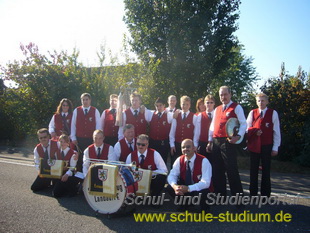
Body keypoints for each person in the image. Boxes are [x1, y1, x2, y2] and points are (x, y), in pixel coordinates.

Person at [206, 86, 246, 197]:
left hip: (228, 142)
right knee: (217, 171)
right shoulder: (217, 109)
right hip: (216, 141)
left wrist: (238, 136)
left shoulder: (236, 107)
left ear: (230, 94)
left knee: (231, 170)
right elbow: (212, 126)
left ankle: (238, 199)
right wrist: (210, 141)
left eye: (225, 94)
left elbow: (243, 123)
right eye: (221, 95)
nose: (223, 97)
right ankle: (220, 196)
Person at [246, 93, 281, 197]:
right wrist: (254, 131)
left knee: (266, 170)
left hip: (267, 145)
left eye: (263, 100)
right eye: (259, 101)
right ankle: (253, 194)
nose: (261, 103)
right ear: (256, 102)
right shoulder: (252, 113)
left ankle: (265, 195)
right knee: (253, 170)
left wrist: (275, 147)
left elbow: (276, 131)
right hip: (254, 145)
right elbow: (246, 128)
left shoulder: (273, 113)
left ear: (267, 101)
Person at [167, 139, 212, 211]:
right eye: (183, 147)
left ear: (194, 148)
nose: (185, 149)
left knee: (204, 191)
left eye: (188, 147)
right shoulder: (179, 159)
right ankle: (185, 204)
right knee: (170, 187)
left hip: (197, 188)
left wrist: (188, 188)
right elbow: (171, 175)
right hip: (185, 187)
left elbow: (206, 183)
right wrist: (175, 186)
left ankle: (205, 209)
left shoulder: (204, 161)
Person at [71, 93, 101, 173]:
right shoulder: (76, 110)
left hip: (90, 139)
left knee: (89, 158)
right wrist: (73, 137)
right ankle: (79, 176)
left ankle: (88, 175)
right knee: (79, 158)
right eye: (83, 100)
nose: (85, 101)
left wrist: (96, 139)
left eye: (86, 99)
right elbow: (73, 125)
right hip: (79, 139)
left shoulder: (95, 111)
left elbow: (98, 126)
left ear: (90, 100)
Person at [169, 96, 198, 166]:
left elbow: (196, 133)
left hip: (188, 146)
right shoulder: (176, 115)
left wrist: (195, 145)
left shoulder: (194, 117)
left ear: (190, 105)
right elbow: (172, 132)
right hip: (177, 145)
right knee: (175, 164)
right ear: (180, 104)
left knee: (187, 164)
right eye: (183, 104)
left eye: (187, 104)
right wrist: (172, 145)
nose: (185, 106)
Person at [147, 98, 173, 163]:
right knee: (152, 160)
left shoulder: (169, 115)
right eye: (157, 106)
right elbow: (143, 109)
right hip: (153, 142)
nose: (158, 107)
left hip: (163, 143)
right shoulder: (151, 114)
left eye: (160, 105)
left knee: (163, 161)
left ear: (164, 105)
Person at [195, 95, 215, 159]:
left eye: (211, 102)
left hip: (215, 143)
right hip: (202, 143)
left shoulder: (217, 114)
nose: (209, 104)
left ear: (214, 103)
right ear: (205, 104)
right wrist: (195, 144)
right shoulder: (200, 115)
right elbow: (197, 131)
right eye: (207, 102)